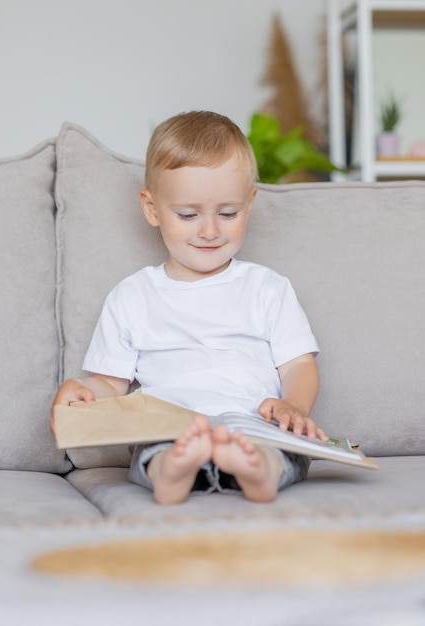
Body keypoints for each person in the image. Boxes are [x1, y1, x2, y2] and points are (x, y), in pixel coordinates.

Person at [51, 110, 327, 505]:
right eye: (188, 214)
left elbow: (299, 364)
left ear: (250, 203)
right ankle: (172, 470)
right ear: (152, 208)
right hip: (171, 424)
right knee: (153, 447)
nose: (210, 230)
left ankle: (259, 468)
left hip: (252, 422)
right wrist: (83, 391)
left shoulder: (268, 288)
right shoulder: (132, 296)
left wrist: (293, 405)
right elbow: (111, 383)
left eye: (228, 213)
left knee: (287, 446)